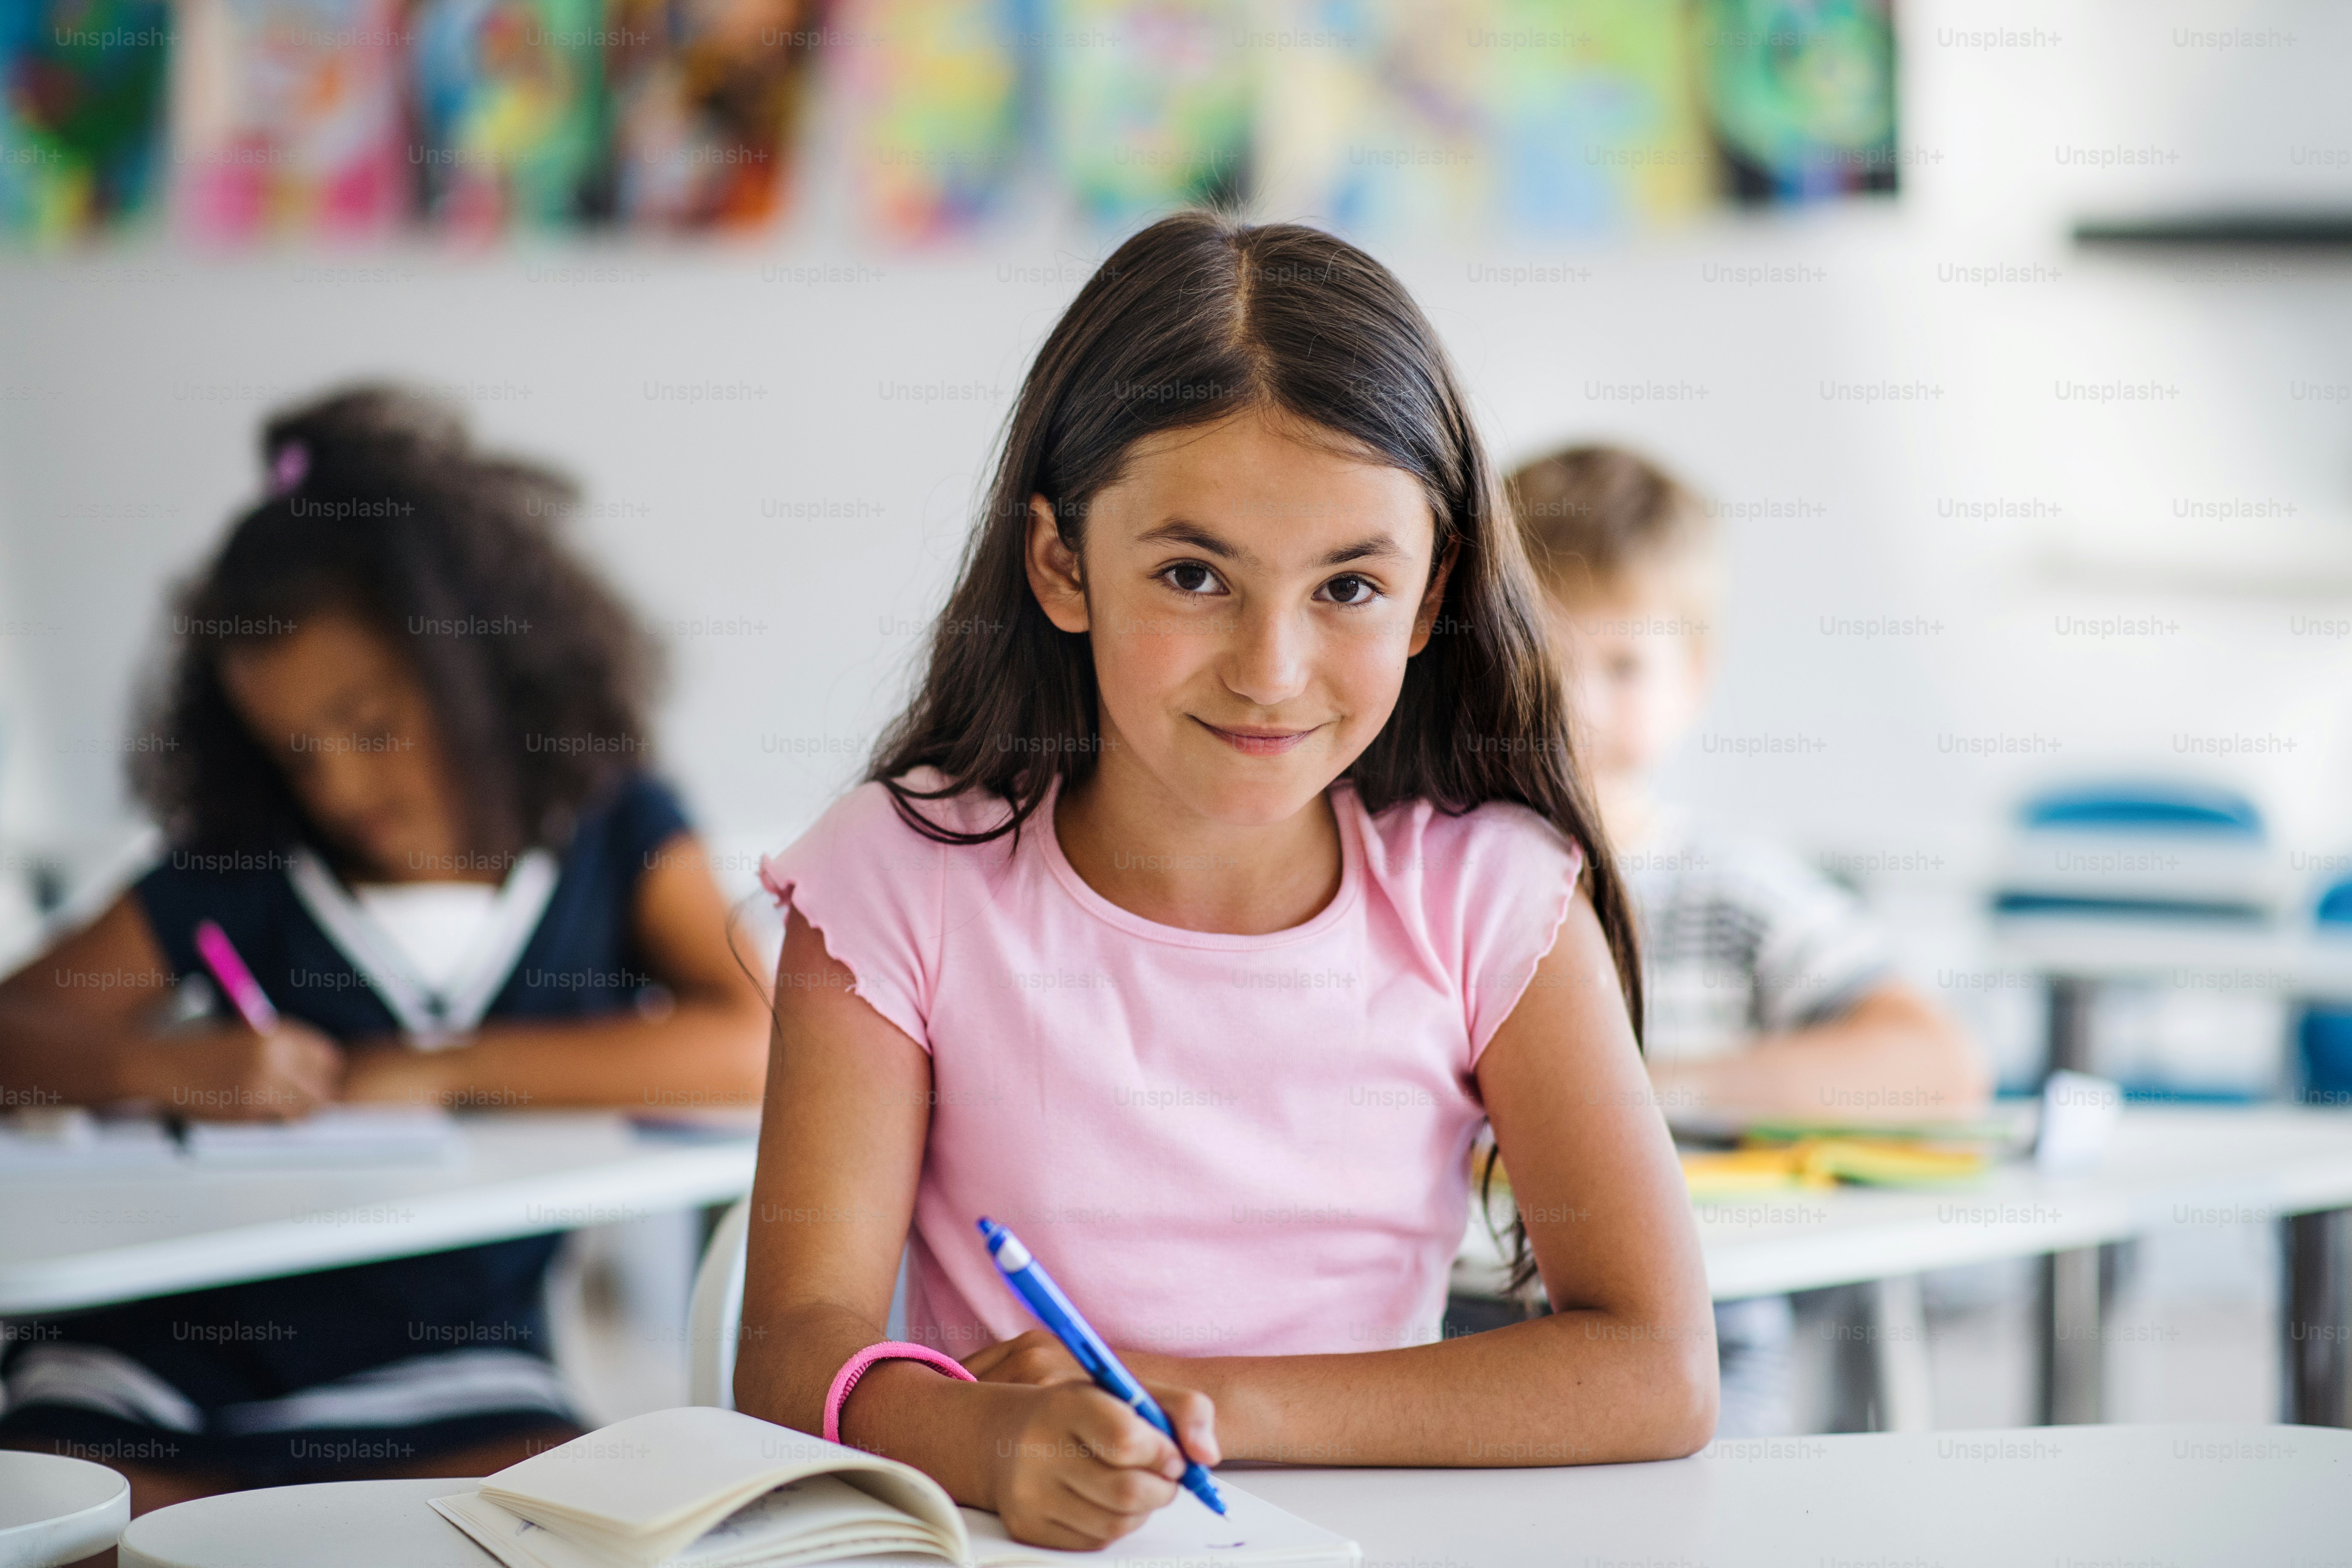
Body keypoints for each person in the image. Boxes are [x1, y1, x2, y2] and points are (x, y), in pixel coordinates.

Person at [734, 212, 1718, 1552]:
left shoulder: (1495, 897)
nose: (1269, 669)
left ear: (1431, 603)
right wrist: (987, 1436)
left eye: (1351, 588)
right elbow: (794, 1346)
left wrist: (1188, 1405)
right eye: (1195, 576)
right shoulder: (895, 876)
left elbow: (1656, 1368)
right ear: (1061, 564)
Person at [0, 387, 770, 1514]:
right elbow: (17, 1031)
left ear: (479, 674)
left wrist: (442, 1071)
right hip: (158, 1368)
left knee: (583, 1527)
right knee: (71, 1521)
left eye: (371, 726)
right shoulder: (246, 868)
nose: (344, 786)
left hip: (459, 1368)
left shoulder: (611, 830)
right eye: (301, 754)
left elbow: (761, 1042)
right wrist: (162, 1069)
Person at [1508, 443, 1989, 1435]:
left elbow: (1938, 1064)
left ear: (1693, 676)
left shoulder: (1732, 890)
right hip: (1471, 1349)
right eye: (1544, 657)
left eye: (1624, 665)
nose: (1578, 704)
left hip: (1703, 1376)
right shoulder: (1437, 878)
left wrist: (1629, 1089)